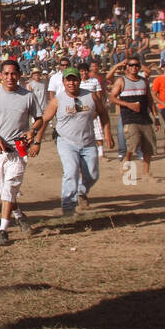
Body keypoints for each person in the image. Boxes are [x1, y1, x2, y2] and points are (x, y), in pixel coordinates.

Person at [0, 60, 42, 245]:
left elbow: (39, 119)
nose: (9, 77)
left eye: (13, 73)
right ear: (1, 75)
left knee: (9, 188)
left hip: (18, 151)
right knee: (5, 190)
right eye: (6, 74)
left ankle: (2, 230)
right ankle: (19, 215)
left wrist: (32, 131)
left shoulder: (28, 96)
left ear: (19, 75)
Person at [39, 65, 113, 216]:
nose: (72, 83)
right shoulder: (57, 100)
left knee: (93, 174)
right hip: (66, 141)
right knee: (71, 171)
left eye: (75, 80)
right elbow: (45, 120)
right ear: (63, 82)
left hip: (88, 141)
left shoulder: (91, 96)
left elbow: (104, 114)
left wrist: (107, 133)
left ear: (80, 80)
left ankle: (81, 191)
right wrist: (37, 140)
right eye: (68, 80)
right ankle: (68, 206)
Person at [110, 55, 159, 179]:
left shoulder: (144, 81)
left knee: (148, 145)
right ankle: (126, 164)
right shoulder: (121, 81)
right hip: (129, 117)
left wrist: (156, 117)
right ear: (127, 67)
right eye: (131, 65)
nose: (134, 67)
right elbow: (112, 98)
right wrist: (128, 105)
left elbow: (150, 100)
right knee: (133, 142)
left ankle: (146, 173)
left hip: (144, 117)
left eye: (137, 65)